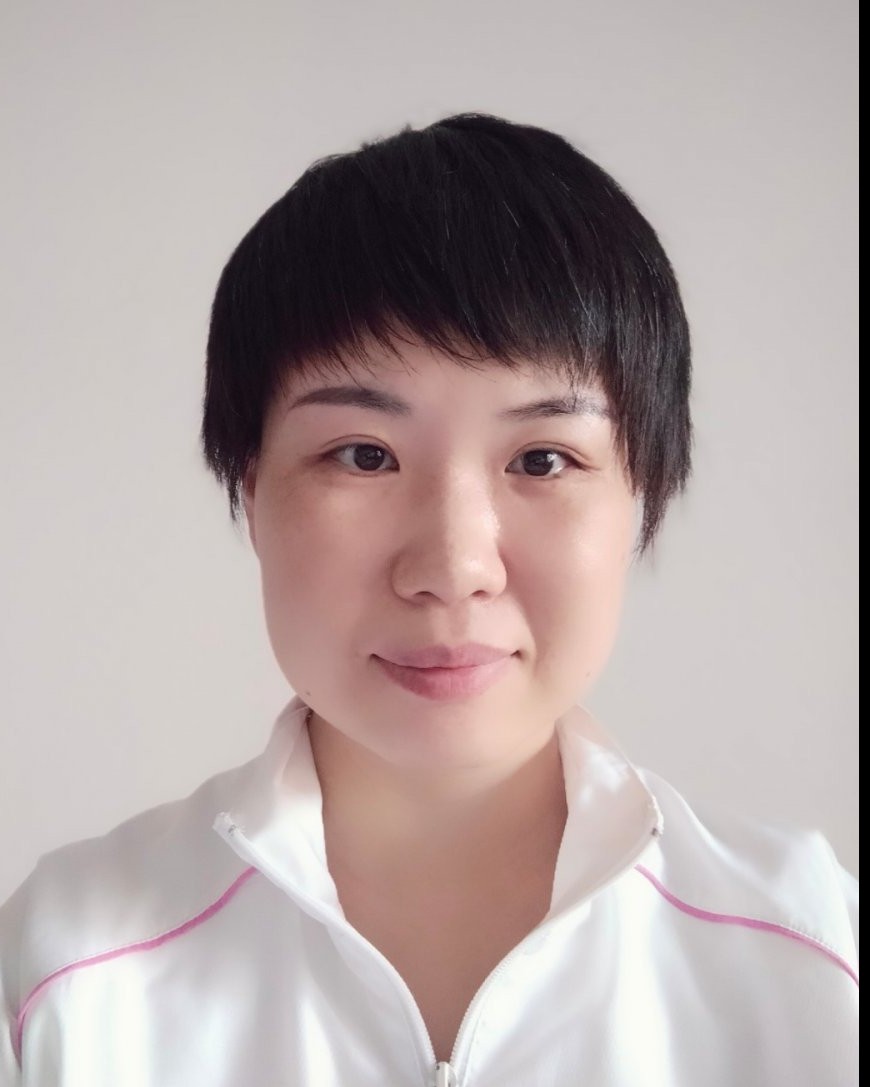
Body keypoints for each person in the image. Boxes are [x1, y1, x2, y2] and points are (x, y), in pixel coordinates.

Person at [0, 113, 858, 1087]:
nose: (454, 566)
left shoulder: (816, 963)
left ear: (644, 494)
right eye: (363, 455)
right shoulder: (60, 980)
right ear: (250, 485)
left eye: (543, 459)